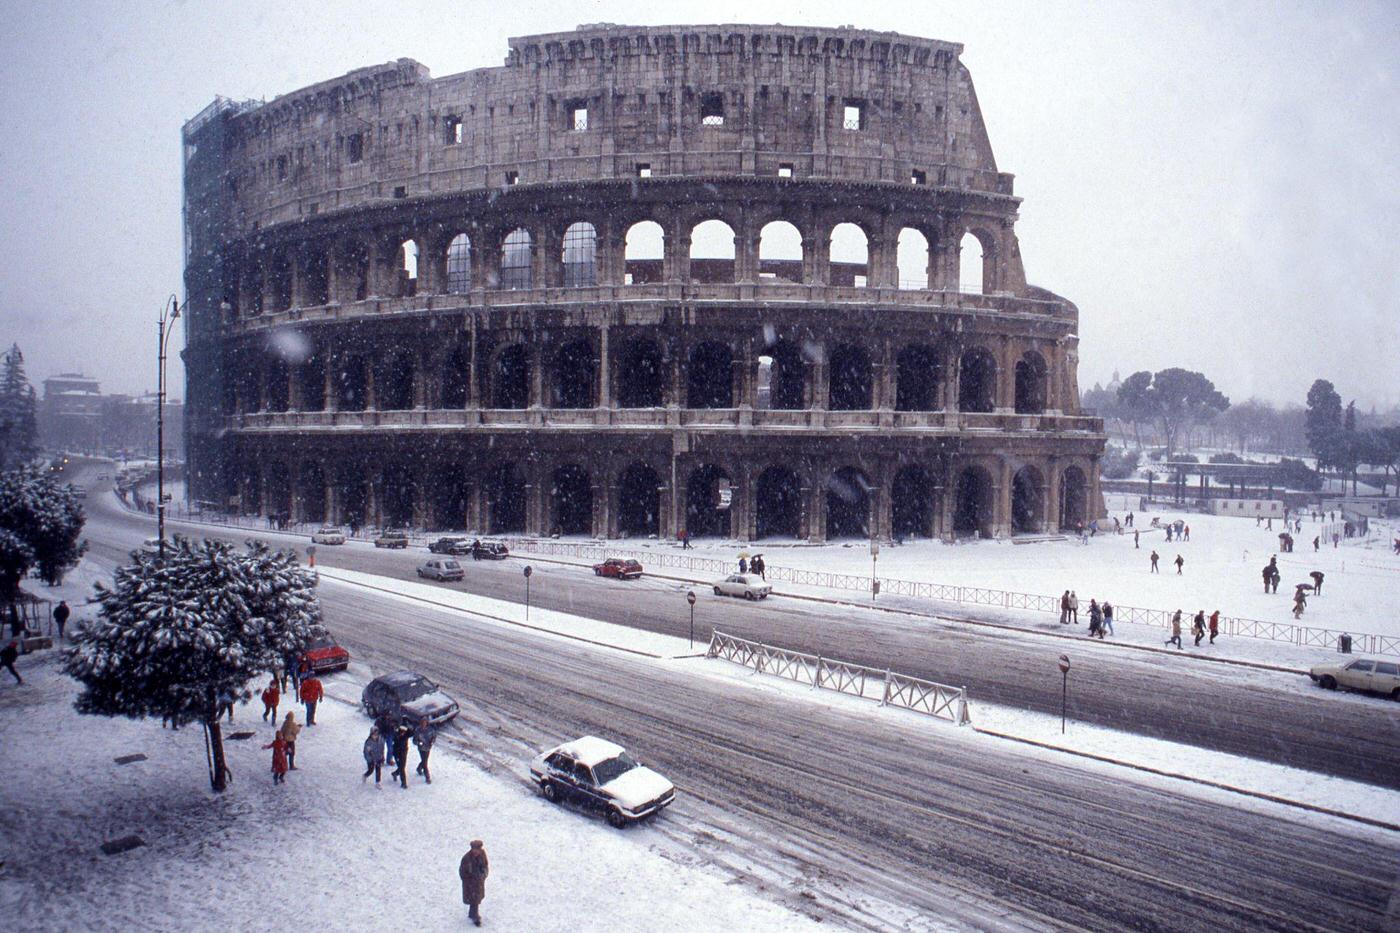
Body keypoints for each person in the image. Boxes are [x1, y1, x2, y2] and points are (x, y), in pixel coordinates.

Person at [460, 840, 490, 926]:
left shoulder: (482, 855)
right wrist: (468, 881)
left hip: (479, 881)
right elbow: (462, 872)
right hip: (470, 883)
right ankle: (475, 916)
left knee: (476, 899)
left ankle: (472, 914)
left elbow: (485, 866)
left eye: (478, 849)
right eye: (474, 849)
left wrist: (483, 875)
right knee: (474, 899)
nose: (476, 851)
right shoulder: (466, 858)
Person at [414, 716, 437, 784]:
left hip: (428, 748)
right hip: (421, 748)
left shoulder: (430, 729)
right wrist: (419, 743)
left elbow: (434, 736)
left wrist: (432, 741)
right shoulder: (418, 730)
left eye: (425, 722)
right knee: (425, 762)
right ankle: (427, 777)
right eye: (423, 722)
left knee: (424, 760)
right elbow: (414, 740)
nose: (424, 723)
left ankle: (419, 768)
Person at [390, 723, 412, 789]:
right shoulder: (396, 735)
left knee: (402, 766)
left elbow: (411, 733)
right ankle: (404, 783)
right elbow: (394, 744)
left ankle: (395, 773)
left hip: (404, 752)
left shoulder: (406, 734)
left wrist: (408, 725)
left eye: (404, 731)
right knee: (402, 768)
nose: (403, 733)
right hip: (397, 753)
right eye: (402, 731)